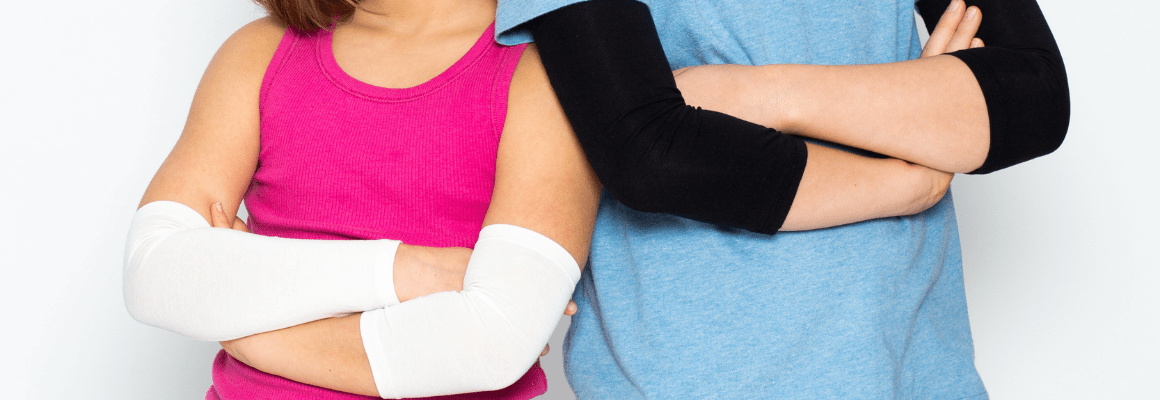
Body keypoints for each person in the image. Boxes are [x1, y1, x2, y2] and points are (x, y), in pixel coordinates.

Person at [123, 0, 979, 399]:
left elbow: (489, 342)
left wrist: (239, 315)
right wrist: (416, 272)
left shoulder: (543, 68)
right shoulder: (260, 54)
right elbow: (155, 277)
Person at [493, 0, 1067, 398]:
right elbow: (650, 154)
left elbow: (1037, 99)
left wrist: (761, 93)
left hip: (917, 374)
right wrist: (910, 166)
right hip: (695, 381)